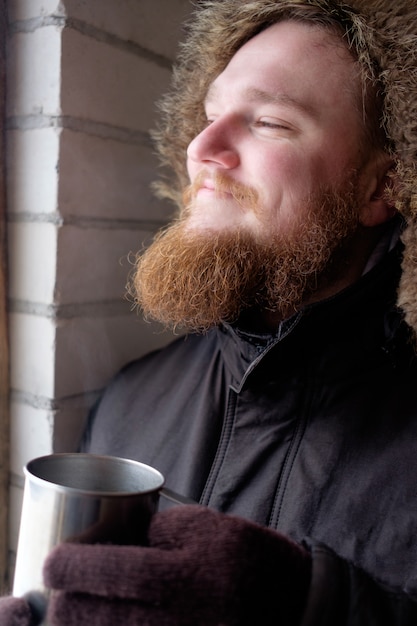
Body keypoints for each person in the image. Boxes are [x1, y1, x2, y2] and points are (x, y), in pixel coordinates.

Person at [3, 0, 417, 624]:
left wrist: (315, 605)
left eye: (271, 122)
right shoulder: (129, 401)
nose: (203, 148)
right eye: (210, 114)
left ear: (381, 187)